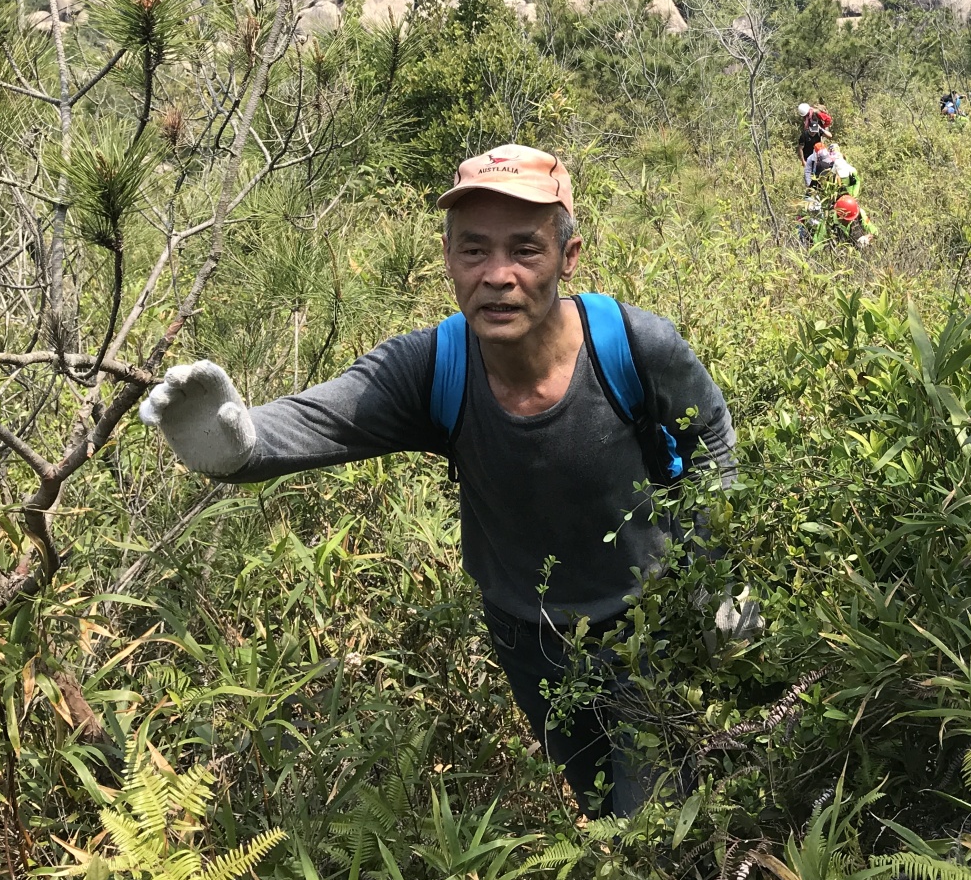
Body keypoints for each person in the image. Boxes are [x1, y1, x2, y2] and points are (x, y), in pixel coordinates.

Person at [137, 145, 735, 816]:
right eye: (473, 251)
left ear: (568, 258)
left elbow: (711, 440)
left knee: (649, 821)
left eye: (526, 251)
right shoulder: (432, 368)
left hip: (646, 626)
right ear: (448, 259)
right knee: (595, 805)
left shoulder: (633, 346)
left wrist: (714, 574)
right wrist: (234, 443)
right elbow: (317, 421)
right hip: (530, 639)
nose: (498, 276)